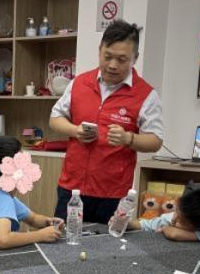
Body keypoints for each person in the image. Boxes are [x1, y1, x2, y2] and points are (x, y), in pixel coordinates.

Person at [49, 20, 164, 224]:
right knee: (64, 241)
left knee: (107, 243)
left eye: (122, 59)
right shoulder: (79, 83)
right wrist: (75, 130)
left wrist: (128, 138)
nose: (112, 65)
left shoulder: (146, 94)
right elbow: (55, 118)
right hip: (72, 188)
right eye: (107, 56)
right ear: (99, 50)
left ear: (135, 58)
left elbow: (155, 141)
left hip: (112, 194)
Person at [0, 136, 62, 249]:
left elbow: (33, 218)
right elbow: (2, 240)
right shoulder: (2, 199)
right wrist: (40, 235)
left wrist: (47, 222)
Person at [129, 186, 200, 242]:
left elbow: (174, 234)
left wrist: (167, 229)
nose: (174, 220)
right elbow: (145, 224)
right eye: (176, 211)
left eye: (181, 221)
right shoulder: (171, 218)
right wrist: (126, 223)